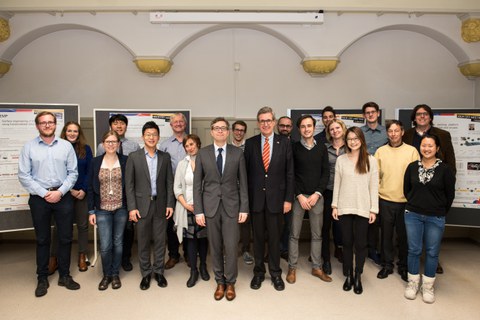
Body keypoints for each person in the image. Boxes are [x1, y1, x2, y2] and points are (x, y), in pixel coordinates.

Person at [18, 111, 80, 297]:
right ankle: (42, 278)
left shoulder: (66, 146)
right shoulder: (29, 147)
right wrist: (46, 194)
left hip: (63, 196)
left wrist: (60, 192)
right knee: (43, 239)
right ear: (37, 125)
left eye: (50, 122)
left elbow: (73, 173)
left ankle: (65, 275)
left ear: (55, 125)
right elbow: (24, 175)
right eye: (43, 122)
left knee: (66, 237)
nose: (47, 125)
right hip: (39, 198)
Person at [193, 117, 249, 301]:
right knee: (215, 246)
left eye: (223, 128)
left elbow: (243, 184)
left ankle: (231, 282)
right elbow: (197, 185)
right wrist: (199, 211)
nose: (220, 131)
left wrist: (244, 208)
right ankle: (220, 281)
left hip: (232, 207)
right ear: (211, 131)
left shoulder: (237, 153)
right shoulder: (202, 153)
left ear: (228, 132)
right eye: (217, 128)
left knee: (231, 246)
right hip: (210, 208)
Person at [244, 107, 294, 292]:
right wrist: (246, 202)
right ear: (258, 123)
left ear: (273, 122)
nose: (265, 124)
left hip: (277, 200)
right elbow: (246, 175)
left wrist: (288, 199)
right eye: (262, 121)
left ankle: (275, 273)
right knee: (257, 239)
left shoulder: (285, 143)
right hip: (256, 200)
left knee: (274, 239)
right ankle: (258, 273)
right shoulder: (250, 144)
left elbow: (290, 173)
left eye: (268, 120)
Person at [403, 104, 456, 274]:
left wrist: (443, 199)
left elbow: (451, 162)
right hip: (415, 190)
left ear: (430, 117)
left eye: (425, 114)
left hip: (436, 189)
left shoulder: (443, 135)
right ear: (414, 117)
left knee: (433, 244)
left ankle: (431, 263)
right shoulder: (408, 135)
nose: (422, 116)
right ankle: (412, 270)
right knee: (413, 244)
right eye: (418, 114)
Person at [403, 134, 455, 304]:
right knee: (414, 250)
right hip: (413, 215)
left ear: (437, 148)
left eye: (430, 146)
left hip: (435, 216)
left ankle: (428, 286)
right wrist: (416, 203)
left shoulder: (445, 170)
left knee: (432, 252)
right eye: (424, 145)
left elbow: (449, 195)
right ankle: (412, 284)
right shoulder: (411, 167)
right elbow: (407, 190)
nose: (426, 149)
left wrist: (439, 210)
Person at [126, 121, 174, 290]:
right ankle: (146, 273)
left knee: (161, 241)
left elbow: (169, 182)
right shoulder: (134, 157)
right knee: (144, 241)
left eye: (154, 135)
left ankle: (159, 272)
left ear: (158, 137)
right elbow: (129, 185)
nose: (151, 137)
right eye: (148, 134)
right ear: (142, 137)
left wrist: (170, 204)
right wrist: (132, 208)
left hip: (160, 205)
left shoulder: (165, 157)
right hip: (141, 207)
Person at [332, 126, 379, 295]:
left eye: (355, 138)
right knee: (347, 243)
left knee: (360, 244)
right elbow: (337, 184)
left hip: (363, 207)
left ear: (361, 140)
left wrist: (373, 209)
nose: (353, 141)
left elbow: (374, 187)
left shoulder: (370, 160)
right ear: (346, 141)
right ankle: (349, 274)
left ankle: (358, 274)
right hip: (344, 206)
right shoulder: (341, 160)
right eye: (350, 139)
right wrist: (335, 206)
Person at [286, 115, 332, 284]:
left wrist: (317, 193)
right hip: (298, 197)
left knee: (317, 234)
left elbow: (325, 173)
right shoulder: (294, 148)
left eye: (309, 126)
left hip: (316, 197)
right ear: (299, 129)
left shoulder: (322, 148)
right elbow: (290, 174)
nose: (306, 129)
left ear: (314, 128)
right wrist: (299, 195)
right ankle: (292, 267)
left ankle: (317, 267)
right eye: (303, 126)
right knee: (294, 234)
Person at [374, 120, 420, 282]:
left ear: (402, 132)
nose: (393, 134)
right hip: (385, 200)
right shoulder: (380, 151)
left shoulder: (412, 151)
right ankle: (386, 265)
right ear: (387, 133)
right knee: (386, 236)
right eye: (390, 131)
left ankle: (403, 266)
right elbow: (375, 176)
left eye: (396, 131)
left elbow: (416, 177)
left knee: (404, 237)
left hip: (405, 201)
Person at [96, 114, 140, 272]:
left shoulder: (134, 146)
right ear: (111, 126)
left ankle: (125, 259)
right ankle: (109, 268)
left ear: (126, 127)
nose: (119, 126)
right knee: (108, 240)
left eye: (122, 124)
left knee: (127, 232)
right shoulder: (102, 147)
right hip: (104, 203)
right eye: (116, 124)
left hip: (124, 199)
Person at [49, 122, 93, 273]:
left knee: (83, 226)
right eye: (69, 131)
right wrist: (69, 189)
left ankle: (82, 255)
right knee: (59, 228)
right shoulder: (57, 148)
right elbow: (55, 172)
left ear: (79, 133)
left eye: (75, 131)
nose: (72, 133)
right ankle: (53, 258)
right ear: (64, 132)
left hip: (82, 193)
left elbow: (89, 171)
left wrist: (83, 190)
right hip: (63, 193)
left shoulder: (86, 149)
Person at [88, 130, 128, 290]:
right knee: (105, 245)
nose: (111, 144)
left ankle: (115, 273)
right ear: (103, 144)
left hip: (121, 208)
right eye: (108, 142)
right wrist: (91, 211)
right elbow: (90, 187)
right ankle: (106, 275)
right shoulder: (95, 162)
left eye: (114, 141)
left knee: (118, 243)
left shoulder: (125, 160)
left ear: (118, 144)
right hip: (102, 209)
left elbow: (130, 185)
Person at [173, 134, 210, 287]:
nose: (190, 148)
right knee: (191, 239)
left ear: (198, 145)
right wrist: (186, 205)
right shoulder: (182, 164)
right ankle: (193, 270)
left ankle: (203, 266)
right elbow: (177, 188)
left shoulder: (207, 161)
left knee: (203, 238)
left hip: (205, 208)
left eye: (192, 144)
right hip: (187, 208)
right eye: (187, 146)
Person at [159, 113, 188, 270]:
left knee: (189, 223)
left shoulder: (192, 141)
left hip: (189, 190)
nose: (178, 124)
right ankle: (173, 255)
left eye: (180, 121)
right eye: (175, 122)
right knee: (171, 224)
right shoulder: (164, 145)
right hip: (170, 191)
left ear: (185, 123)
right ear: (171, 125)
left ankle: (189, 254)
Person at [360, 102, 387, 265]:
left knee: (378, 218)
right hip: (362, 178)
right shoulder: (359, 132)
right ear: (364, 115)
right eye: (367, 112)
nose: (370, 115)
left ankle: (377, 250)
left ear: (378, 113)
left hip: (382, 179)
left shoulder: (386, 132)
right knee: (363, 216)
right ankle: (365, 248)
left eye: (373, 112)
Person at [321, 119, 347, 275]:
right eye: (332, 129)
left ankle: (341, 250)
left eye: (337, 128)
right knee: (325, 226)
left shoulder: (350, 147)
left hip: (345, 193)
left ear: (343, 129)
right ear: (328, 132)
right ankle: (325, 260)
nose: (335, 131)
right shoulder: (325, 148)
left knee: (342, 226)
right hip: (328, 191)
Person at [231, 120, 254, 265]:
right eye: (237, 130)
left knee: (245, 221)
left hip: (246, 189)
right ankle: (231, 250)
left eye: (242, 130)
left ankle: (246, 249)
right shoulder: (227, 147)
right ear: (232, 131)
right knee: (230, 222)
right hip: (230, 190)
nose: (239, 132)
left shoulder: (250, 147)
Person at [277, 115, 294, 261]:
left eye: (288, 126)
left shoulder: (295, 145)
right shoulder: (272, 143)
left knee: (288, 224)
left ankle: (284, 250)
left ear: (292, 128)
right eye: (282, 125)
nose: (284, 128)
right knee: (272, 225)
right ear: (277, 126)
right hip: (274, 191)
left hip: (291, 191)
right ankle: (272, 251)